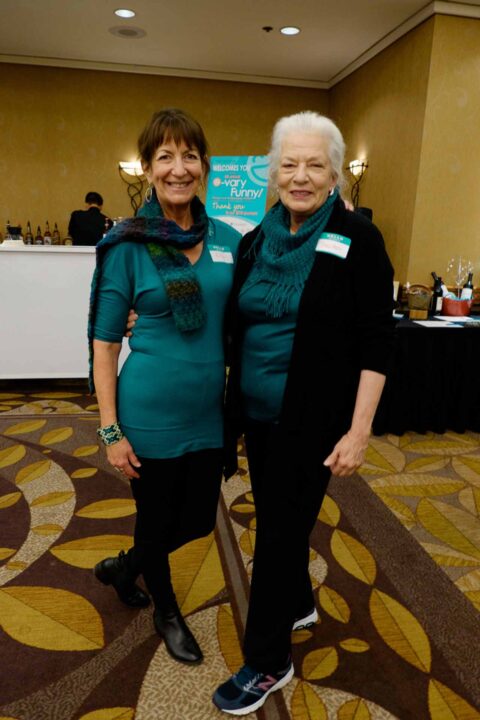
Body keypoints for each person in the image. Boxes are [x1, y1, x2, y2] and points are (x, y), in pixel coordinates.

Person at [212, 111, 395, 714]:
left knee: (277, 534)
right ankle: (297, 604)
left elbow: (377, 342)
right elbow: (232, 319)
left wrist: (359, 430)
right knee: (277, 516)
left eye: (315, 165)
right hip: (257, 415)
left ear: (335, 174)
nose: (300, 176)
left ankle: (268, 661)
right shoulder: (255, 240)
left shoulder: (358, 239)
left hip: (313, 419)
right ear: (272, 172)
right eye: (288, 164)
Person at [88, 108, 240, 666]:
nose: (179, 168)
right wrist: (110, 430)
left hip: (208, 411)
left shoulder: (228, 239)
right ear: (149, 169)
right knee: (155, 519)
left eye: (190, 156)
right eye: (166, 157)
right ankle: (167, 611)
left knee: (197, 519)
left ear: (204, 166)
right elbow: (105, 343)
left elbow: (245, 314)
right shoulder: (127, 244)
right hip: (148, 412)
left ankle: (125, 567)